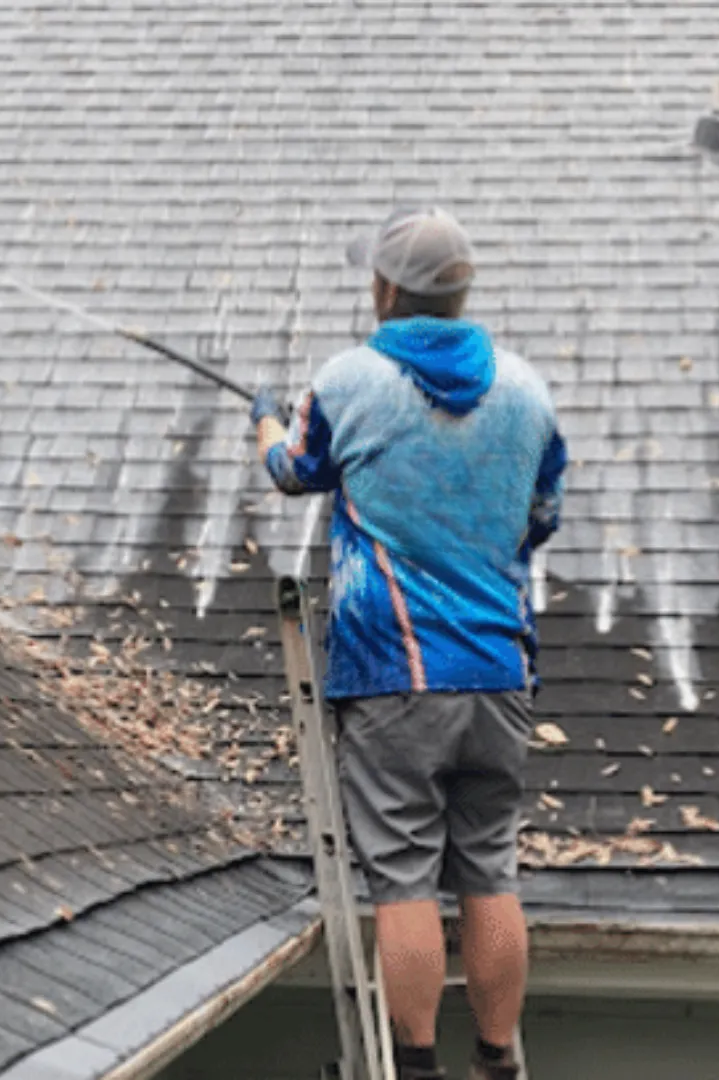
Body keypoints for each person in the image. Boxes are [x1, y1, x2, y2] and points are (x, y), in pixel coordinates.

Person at [250, 206, 567, 1080]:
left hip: (395, 671)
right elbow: (541, 521)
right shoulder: (528, 391)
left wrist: (268, 422)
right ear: (460, 292)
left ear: (388, 289)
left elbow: (293, 473)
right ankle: (497, 1062)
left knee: (403, 882)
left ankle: (417, 1067)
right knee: (490, 870)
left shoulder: (351, 381)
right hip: (499, 671)